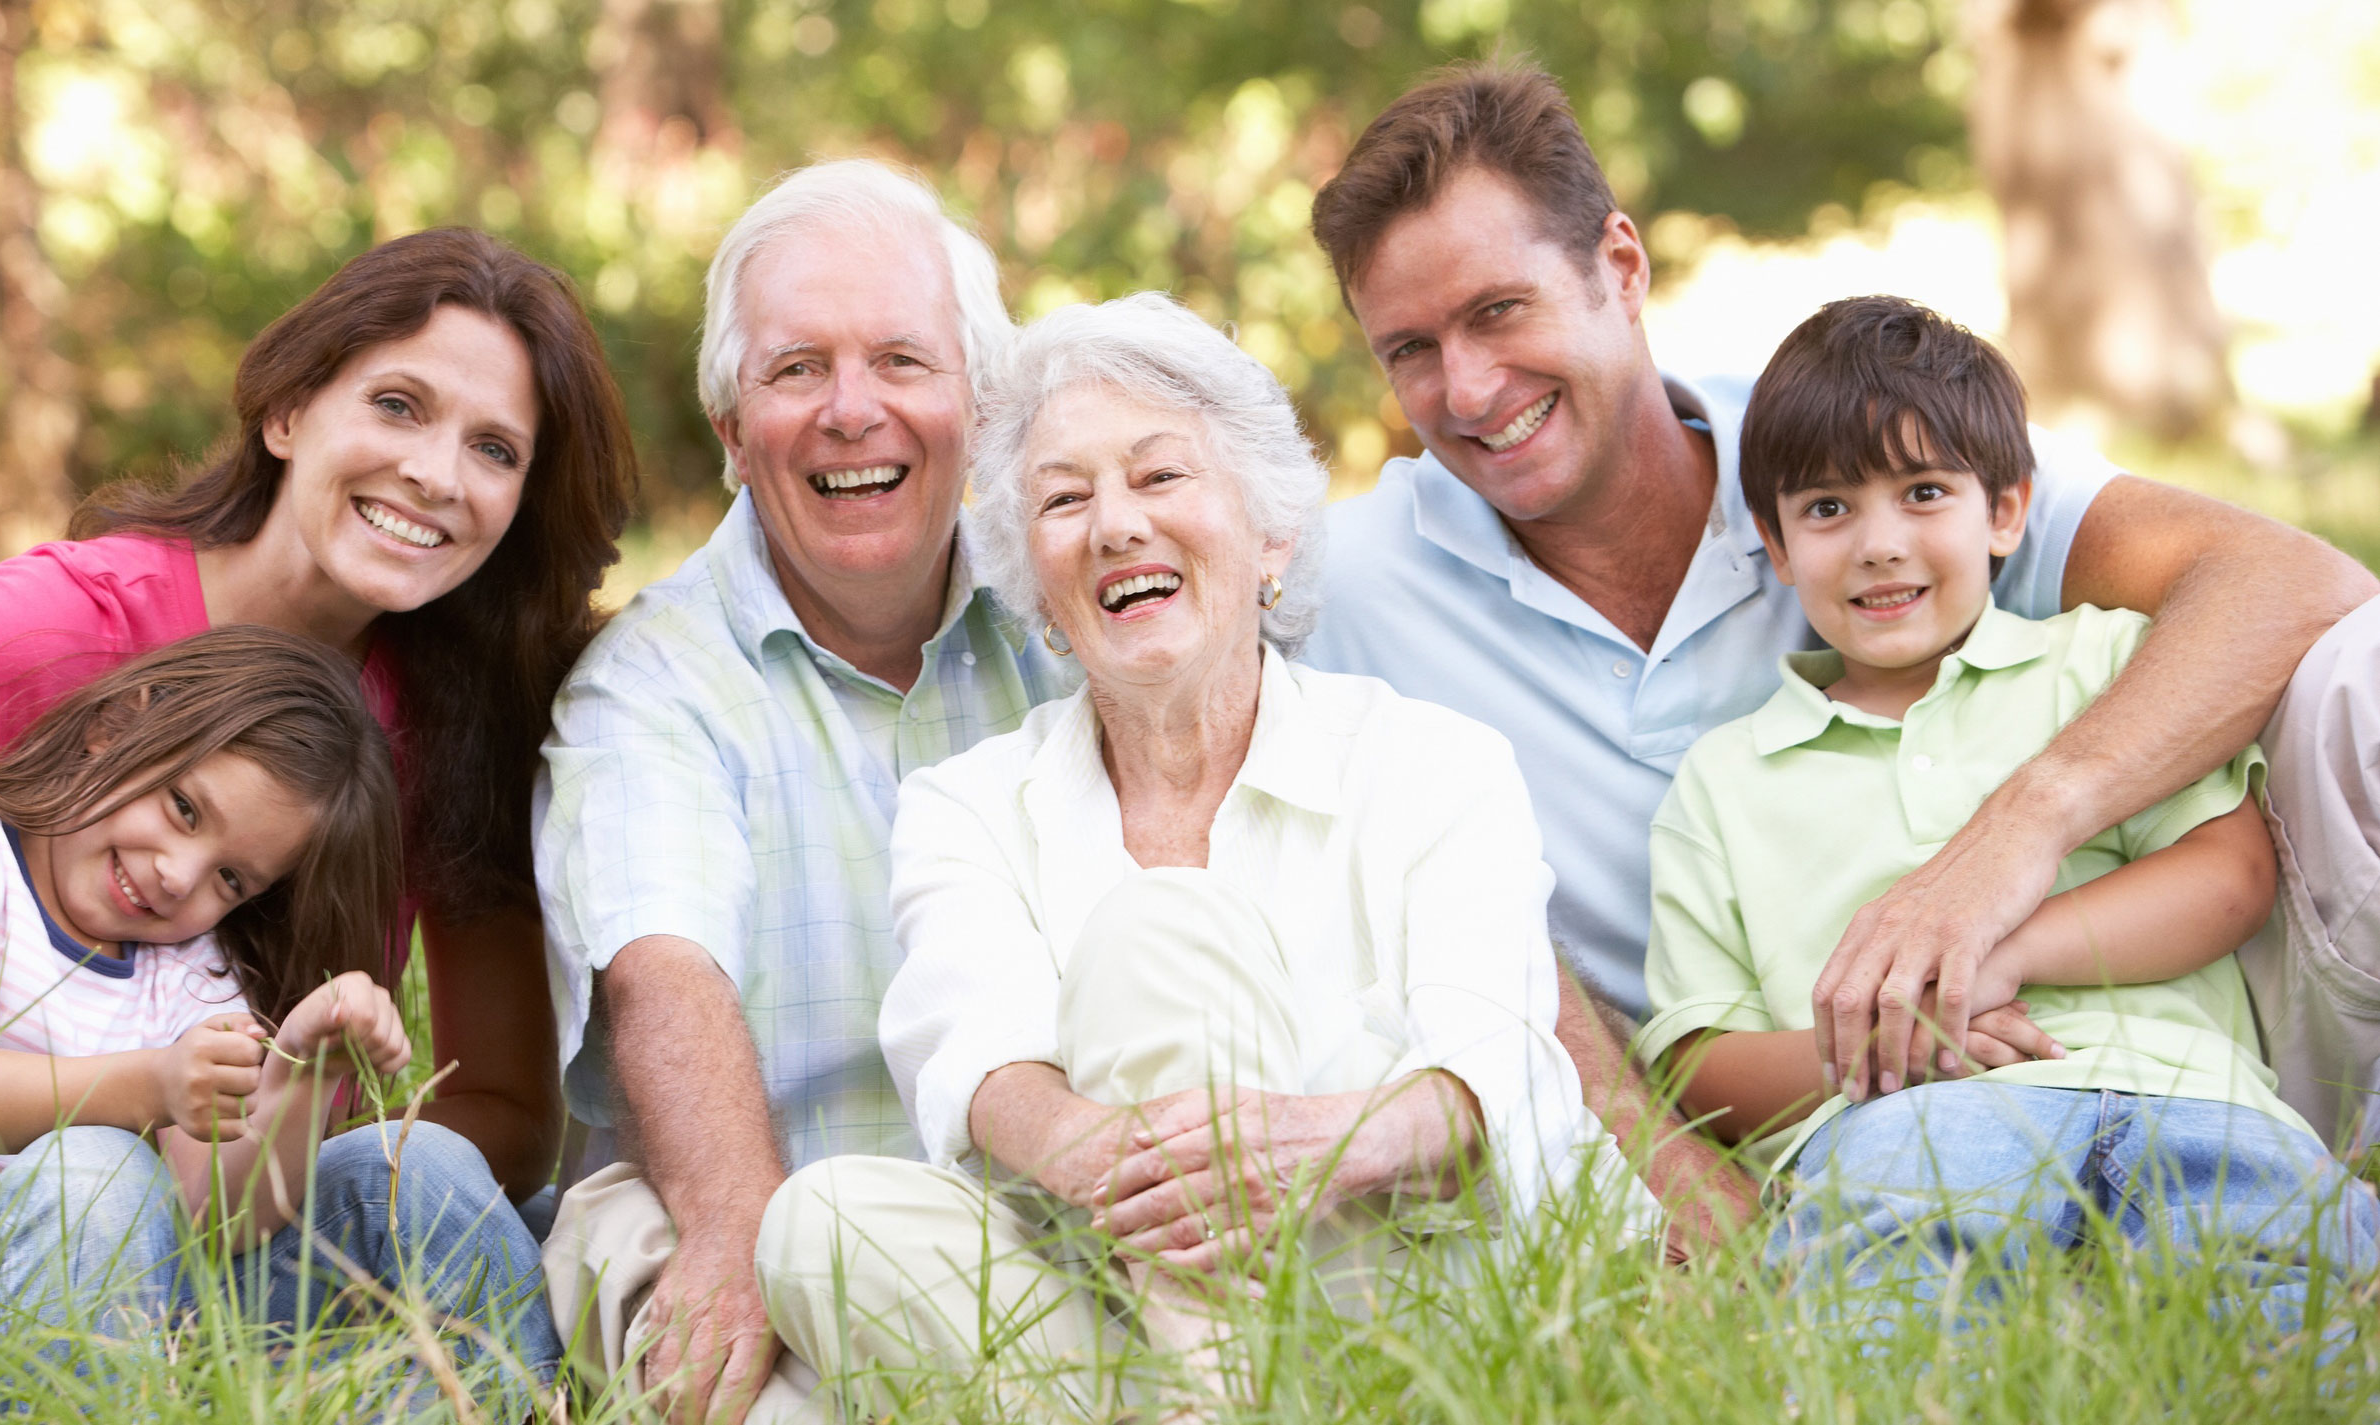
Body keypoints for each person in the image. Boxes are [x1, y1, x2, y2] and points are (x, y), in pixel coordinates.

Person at [1298, 63, 2380, 1210]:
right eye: (1408, 349)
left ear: (1618, 268)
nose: (1464, 389)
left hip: (2179, 1041)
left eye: (1496, 311)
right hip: (1846, 1126)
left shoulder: (1852, 445)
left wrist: (2009, 841)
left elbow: (2285, 581)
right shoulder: (1341, 588)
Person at [753, 293, 1661, 1416]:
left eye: (1158, 476)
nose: (1115, 525)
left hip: (1414, 1291)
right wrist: (1103, 1156)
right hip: (1122, 1293)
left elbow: (1493, 1068)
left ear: (1270, 533)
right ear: (1035, 586)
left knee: (1154, 929)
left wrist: (1309, 1146)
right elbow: (975, 1055)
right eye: (1063, 499)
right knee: (821, 1225)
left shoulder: (1433, 763)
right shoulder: (967, 805)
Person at [0, 227, 636, 1219]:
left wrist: (304, 1191)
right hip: (23, 1213)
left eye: (494, 450)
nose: (435, 474)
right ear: (289, 412)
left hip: (254, 1222)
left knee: (519, 1207)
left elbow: (500, 1111)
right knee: (95, 1185)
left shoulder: (465, 713)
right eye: (395, 406)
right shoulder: (61, 629)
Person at [1634, 295, 2377, 1329]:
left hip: (2188, 1095)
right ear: (1771, 538)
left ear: (2005, 512)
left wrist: (2001, 955)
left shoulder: (2100, 667)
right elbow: (1696, 1062)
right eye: (1826, 509)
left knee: (2303, 1322)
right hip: (1904, 1125)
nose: (1877, 544)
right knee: (1886, 1323)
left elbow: (2230, 879)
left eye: (1922, 492)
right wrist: (1898, 1039)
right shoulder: (1722, 781)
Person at [534, 159, 1066, 1425]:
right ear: (730, 430)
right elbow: (662, 966)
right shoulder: (651, 683)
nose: (849, 411)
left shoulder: (1070, 626)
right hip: (726, 1205)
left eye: (900, 360)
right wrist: (738, 1235)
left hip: (1029, 1220)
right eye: (794, 369)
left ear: (980, 408)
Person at [0, 626, 558, 1396]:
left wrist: (303, 1073)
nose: (180, 877)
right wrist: (155, 1082)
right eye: (184, 808)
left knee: (419, 1163)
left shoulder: (195, 964)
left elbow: (215, 1220)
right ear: (116, 725)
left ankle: (511, 1399)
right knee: (95, 1167)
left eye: (232, 878)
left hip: (137, 1328)